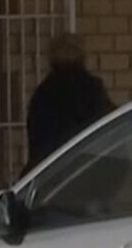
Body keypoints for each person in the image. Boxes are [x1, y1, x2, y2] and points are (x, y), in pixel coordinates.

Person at [25, 33, 115, 171]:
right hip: (94, 168)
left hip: (54, 173)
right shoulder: (93, 89)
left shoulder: (43, 94)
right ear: (83, 57)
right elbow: (110, 127)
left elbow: (37, 143)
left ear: (50, 58)